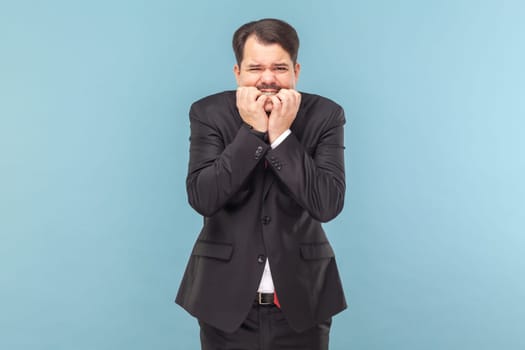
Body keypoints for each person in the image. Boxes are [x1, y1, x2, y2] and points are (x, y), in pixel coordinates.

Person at [176, 18, 347, 350]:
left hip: (303, 301)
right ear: (238, 73)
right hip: (223, 303)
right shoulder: (209, 113)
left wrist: (282, 136)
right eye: (255, 68)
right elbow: (203, 196)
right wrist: (252, 132)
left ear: (296, 70)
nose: (268, 79)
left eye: (279, 67)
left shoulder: (326, 115)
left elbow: (327, 203)